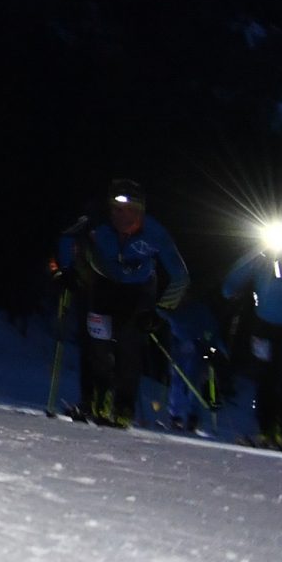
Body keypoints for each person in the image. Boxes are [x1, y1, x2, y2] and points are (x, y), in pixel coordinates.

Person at [51, 181, 189, 427]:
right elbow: (66, 237)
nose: (119, 216)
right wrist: (66, 270)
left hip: (139, 291)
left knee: (129, 347)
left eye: (126, 210)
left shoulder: (155, 232)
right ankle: (93, 401)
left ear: (140, 212)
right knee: (97, 345)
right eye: (114, 209)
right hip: (103, 286)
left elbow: (180, 275)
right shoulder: (96, 222)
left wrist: (160, 311)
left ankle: (123, 407)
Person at [221, 223, 282, 448]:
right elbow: (232, 281)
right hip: (265, 327)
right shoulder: (258, 258)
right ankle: (266, 429)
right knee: (266, 379)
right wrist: (230, 292)